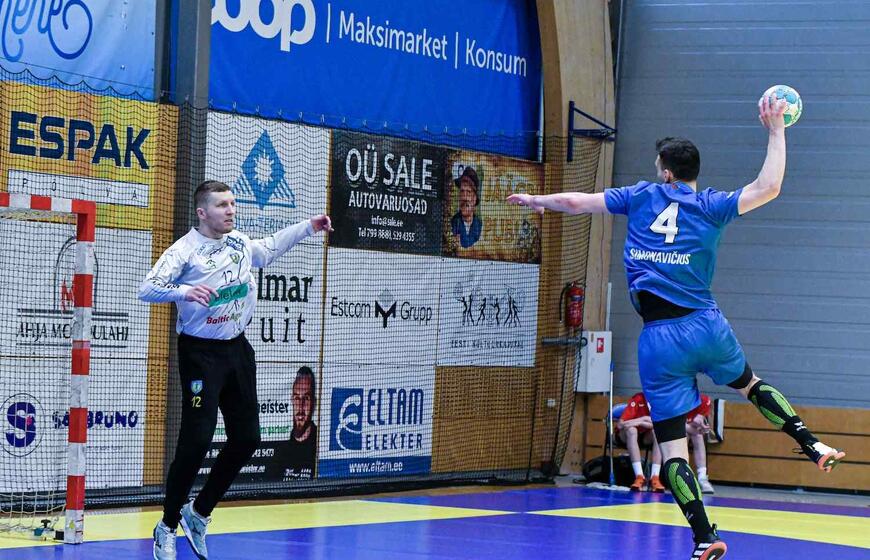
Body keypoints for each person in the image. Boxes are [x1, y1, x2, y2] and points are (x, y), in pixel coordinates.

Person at [507, 93, 846, 560]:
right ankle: (811, 443)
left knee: (672, 452)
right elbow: (769, 187)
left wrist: (535, 199)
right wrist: (776, 130)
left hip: (660, 340)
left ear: (666, 173)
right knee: (750, 384)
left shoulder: (639, 196)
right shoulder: (710, 205)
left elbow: (575, 201)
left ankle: (705, 536)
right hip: (706, 325)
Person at [139, 180, 332, 560]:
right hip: (200, 355)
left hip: (237, 351)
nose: (230, 210)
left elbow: (270, 248)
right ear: (202, 212)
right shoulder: (184, 251)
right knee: (197, 440)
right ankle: (167, 525)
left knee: (247, 438)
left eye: (232, 203)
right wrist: (184, 292)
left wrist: (309, 226)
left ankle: (199, 513)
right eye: (222, 205)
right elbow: (147, 288)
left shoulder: (240, 243)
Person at [268, 366, 318, 481]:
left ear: (314, 403)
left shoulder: (319, 445)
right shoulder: (282, 449)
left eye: (306, 398)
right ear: (292, 400)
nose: (300, 407)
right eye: (297, 398)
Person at [616, 392, 665, 492]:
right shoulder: (638, 398)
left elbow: (660, 425)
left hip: (645, 436)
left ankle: (655, 477)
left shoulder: (661, 400)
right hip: (626, 436)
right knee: (632, 430)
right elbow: (620, 425)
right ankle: (639, 476)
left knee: (659, 432)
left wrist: (642, 422)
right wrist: (643, 420)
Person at [685, 394, 715, 494]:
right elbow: (674, 424)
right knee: (684, 435)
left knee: (698, 436)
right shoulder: (676, 399)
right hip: (671, 429)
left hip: (690, 428)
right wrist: (694, 430)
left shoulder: (704, 400)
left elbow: (697, 421)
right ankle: (681, 475)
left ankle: (702, 478)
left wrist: (702, 427)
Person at [450, 166, 483, 248]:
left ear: (474, 199)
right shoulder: (452, 224)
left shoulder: (480, 226)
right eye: (462, 191)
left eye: (468, 192)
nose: (464, 198)